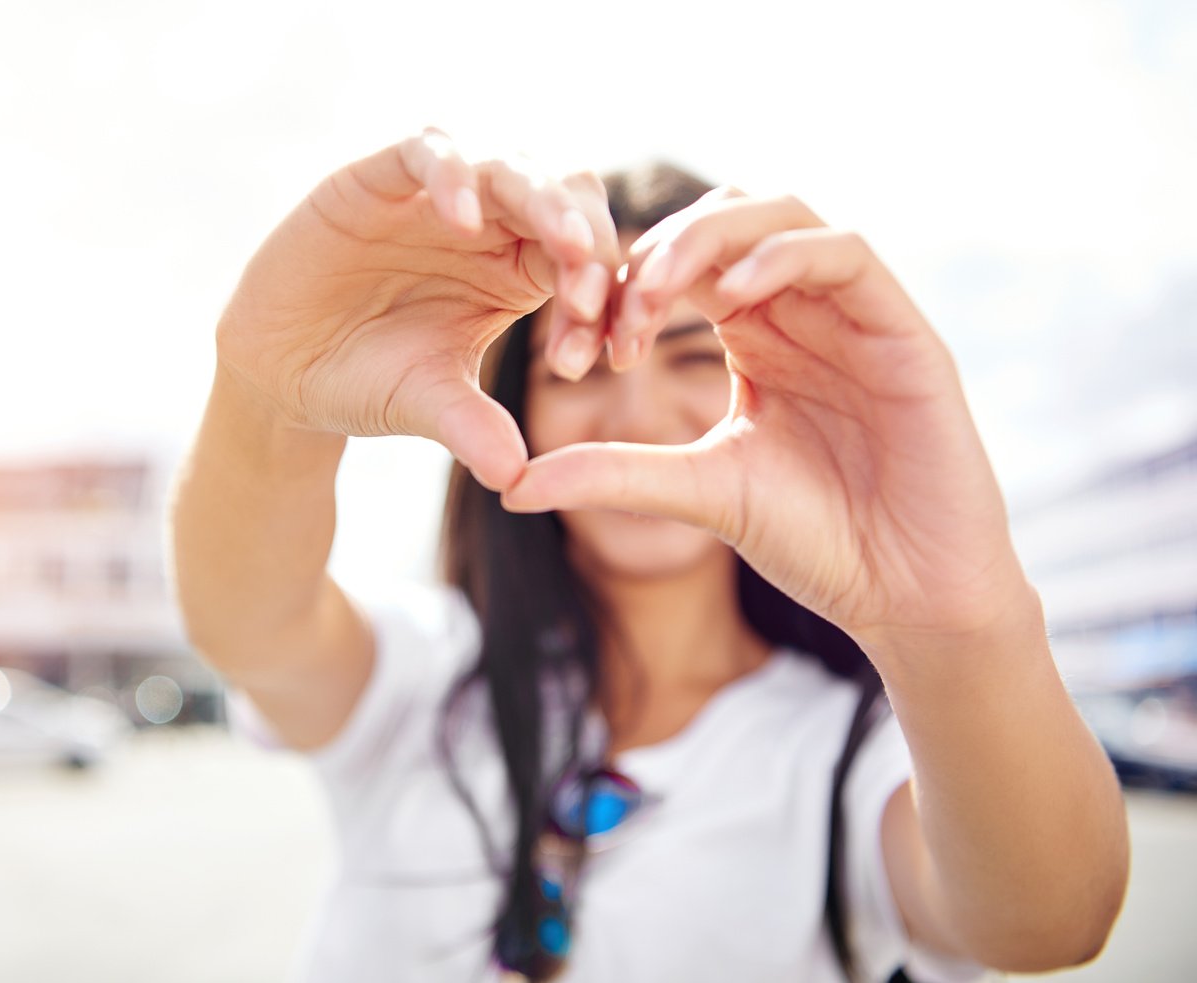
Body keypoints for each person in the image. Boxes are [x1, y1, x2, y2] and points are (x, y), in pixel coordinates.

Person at [169, 130, 1130, 982]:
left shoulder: (867, 746)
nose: (636, 417)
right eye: (579, 365)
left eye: (694, 357)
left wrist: (953, 613)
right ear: (514, 407)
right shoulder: (426, 672)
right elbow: (254, 625)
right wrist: (268, 389)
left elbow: (1045, 920)